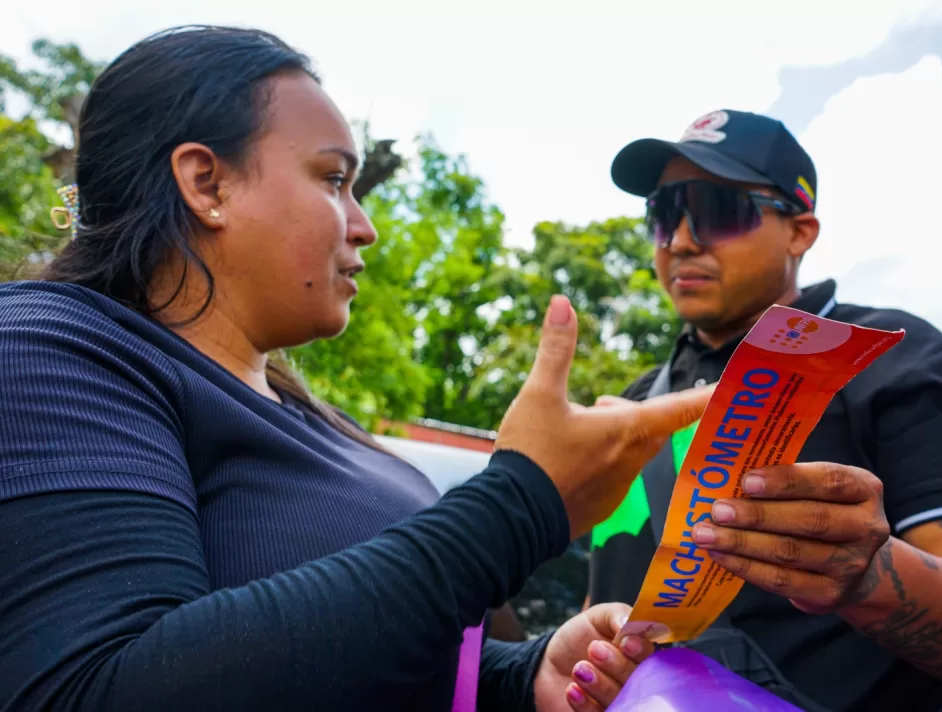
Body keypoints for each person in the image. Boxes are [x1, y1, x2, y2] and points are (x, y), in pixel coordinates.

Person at [0, 26, 716, 712]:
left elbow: (361, 657)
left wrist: (520, 681)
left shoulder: (305, 413)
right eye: (334, 179)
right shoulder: (53, 347)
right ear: (207, 183)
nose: (364, 225)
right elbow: (98, 689)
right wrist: (524, 501)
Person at [586, 108, 942, 711]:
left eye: (717, 210)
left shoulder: (899, 359)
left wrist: (871, 578)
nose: (679, 240)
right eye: (662, 214)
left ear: (800, 231)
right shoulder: (629, 406)